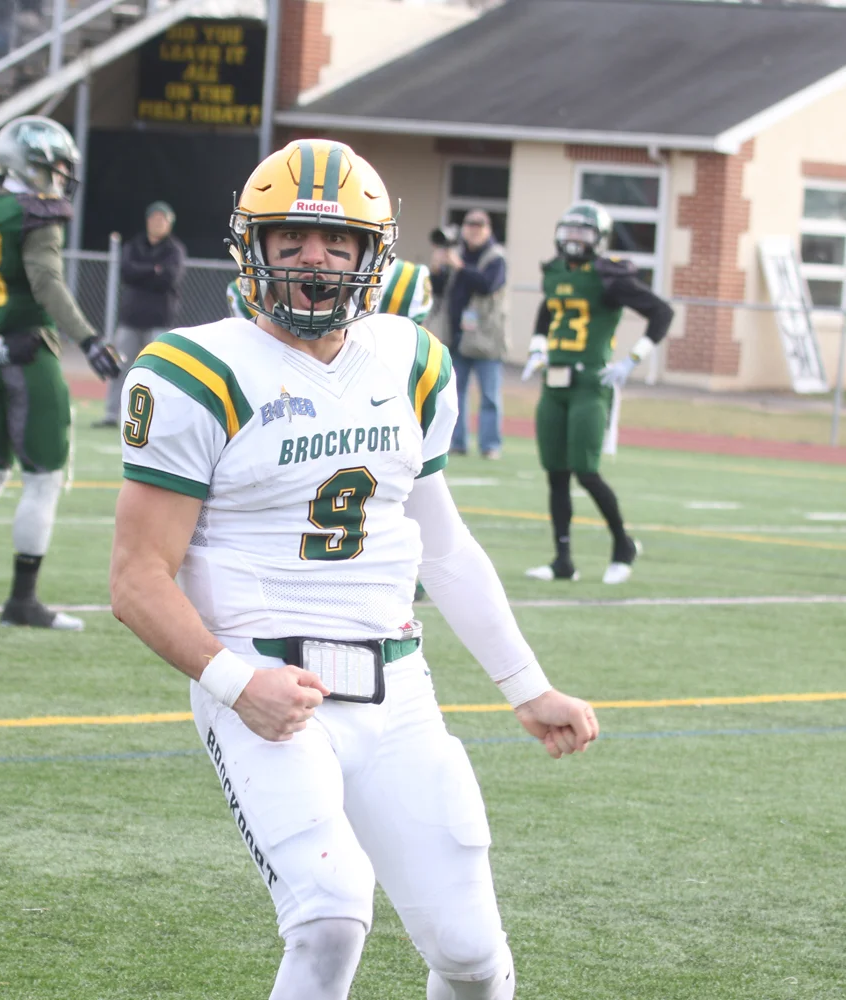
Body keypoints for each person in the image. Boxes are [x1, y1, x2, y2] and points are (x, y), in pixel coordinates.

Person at [109, 137, 599, 1000]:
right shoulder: (194, 369)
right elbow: (138, 576)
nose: (316, 260)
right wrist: (233, 682)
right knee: (332, 912)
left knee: (472, 958)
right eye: (291, 238)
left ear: (373, 256)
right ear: (250, 248)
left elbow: (442, 545)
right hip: (265, 679)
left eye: (339, 243)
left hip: (396, 688)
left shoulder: (412, 361)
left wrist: (527, 685)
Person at [0, 115, 121, 629]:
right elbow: (47, 285)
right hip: (26, 351)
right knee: (43, 478)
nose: (57, 178)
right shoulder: (34, 214)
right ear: (28, 164)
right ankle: (22, 600)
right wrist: (89, 339)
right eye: (51, 167)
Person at [521, 201, 673, 585]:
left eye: (582, 232)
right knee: (555, 474)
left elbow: (662, 312)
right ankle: (563, 562)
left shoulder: (609, 276)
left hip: (591, 383)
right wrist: (537, 347)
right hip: (553, 383)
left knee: (586, 472)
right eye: (569, 231)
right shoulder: (554, 271)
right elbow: (548, 310)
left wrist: (632, 360)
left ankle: (623, 546)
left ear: (599, 239)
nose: (574, 239)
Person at [96, 200, 185, 429]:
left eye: (162, 219)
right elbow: (126, 271)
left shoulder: (174, 250)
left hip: (159, 321)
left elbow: (169, 278)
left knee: (158, 372)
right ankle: (110, 414)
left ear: (169, 223)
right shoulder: (134, 245)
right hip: (130, 319)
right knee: (119, 367)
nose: (157, 223)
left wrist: (143, 271)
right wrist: (152, 270)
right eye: (154, 218)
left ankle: (157, 419)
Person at [432, 209, 506, 459]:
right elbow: (439, 291)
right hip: (457, 336)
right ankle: (457, 442)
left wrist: (459, 266)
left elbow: (487, 285)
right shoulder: (457, 253)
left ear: (488, 229)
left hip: (486, 338)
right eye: (469, 224)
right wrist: (439, 269)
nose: (473, 229)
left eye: (479, 224)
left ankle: (490, 445)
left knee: (489, 395)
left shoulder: (496, 257)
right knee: (455, 393)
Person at [227, 255, 433, 326]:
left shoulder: (405, 283)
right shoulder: (245, 292)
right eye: (292, 234)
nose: (314, 257)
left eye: (335, 237)